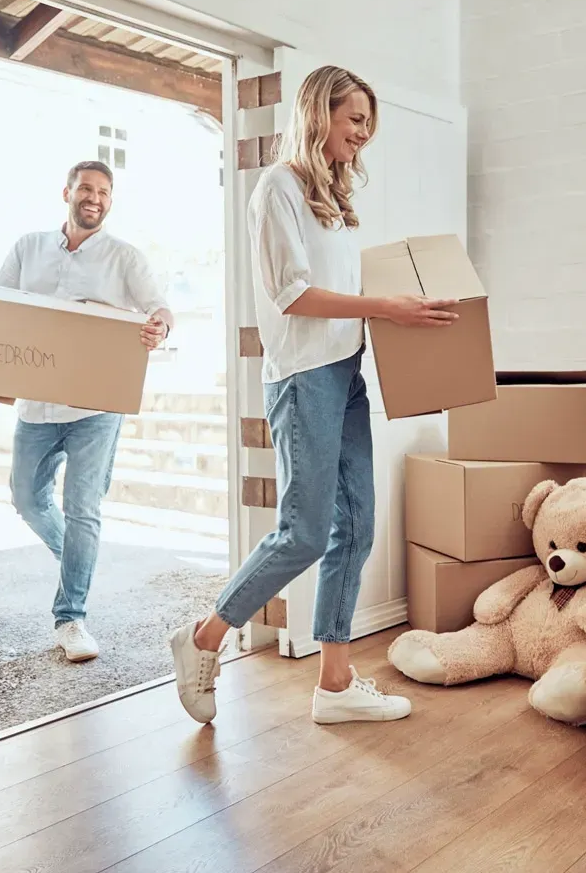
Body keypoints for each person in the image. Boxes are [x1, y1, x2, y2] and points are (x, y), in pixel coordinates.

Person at [168, 65, 458, 725]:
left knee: (355, 528)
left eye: (367, 124)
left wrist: (393, 317)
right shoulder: (277, 189)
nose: (363, 134)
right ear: (317, 114)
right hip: (303, 379)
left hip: (346, 372)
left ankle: (334, 683)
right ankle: (205, 637)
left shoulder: (336, 198)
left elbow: (344, 289)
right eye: (354, 119)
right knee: (303, 533)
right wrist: (386, 306)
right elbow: (292, 294)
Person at [0, 159, 174, 663]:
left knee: (83, 508)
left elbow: (160, 309)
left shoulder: (125, 258)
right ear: (67, 192)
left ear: (110, 202)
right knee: (26, 499)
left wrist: (159, 327)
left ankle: (71, 617)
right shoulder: (27, 249)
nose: (94, 198)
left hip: (96, 407)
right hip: (35, 402)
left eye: (104, 192)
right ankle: (78, 555)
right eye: (86, 189)